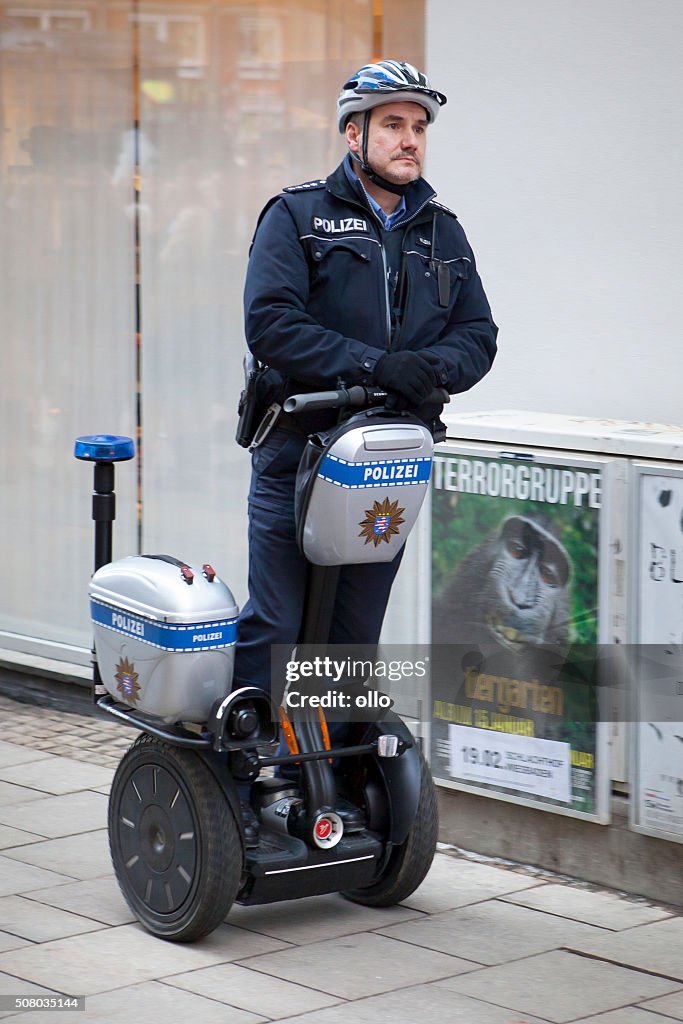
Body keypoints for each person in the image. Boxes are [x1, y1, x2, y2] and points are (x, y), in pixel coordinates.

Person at [233, 60, 498, 834]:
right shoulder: (298, 216)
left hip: (383, 465)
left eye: (417, 127)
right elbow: (271, 323)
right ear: (353, 133)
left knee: (351, 637)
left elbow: (478, 336)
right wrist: (377, 366)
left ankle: (344, 787)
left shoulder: (440, 232)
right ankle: (249, 782)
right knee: (280, 625)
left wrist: (428, 372)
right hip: (297, 452)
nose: (409, 140)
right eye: (392, 124)